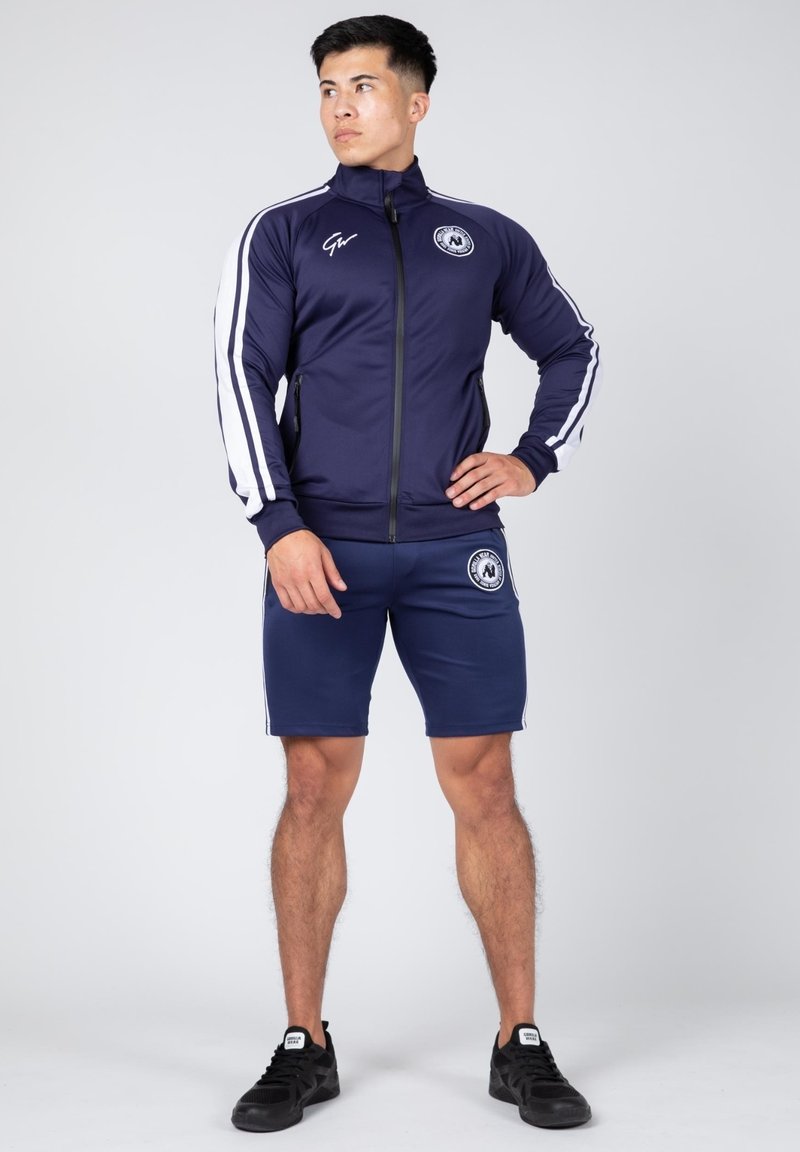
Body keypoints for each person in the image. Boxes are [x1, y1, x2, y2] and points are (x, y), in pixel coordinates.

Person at [214, 13, 600, 1134]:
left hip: (453, 552)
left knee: (486, 785)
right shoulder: (284, 233)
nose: (340, 106)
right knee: (311, 787)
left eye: (364, 87)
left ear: (416, 102)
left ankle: (519, 1041)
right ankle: (305, 1041)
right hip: (319, 553)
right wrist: (277, 525)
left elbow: (572, 345)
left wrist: (531, 458)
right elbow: (239, 376)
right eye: (326, 88)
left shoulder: (483, 238)